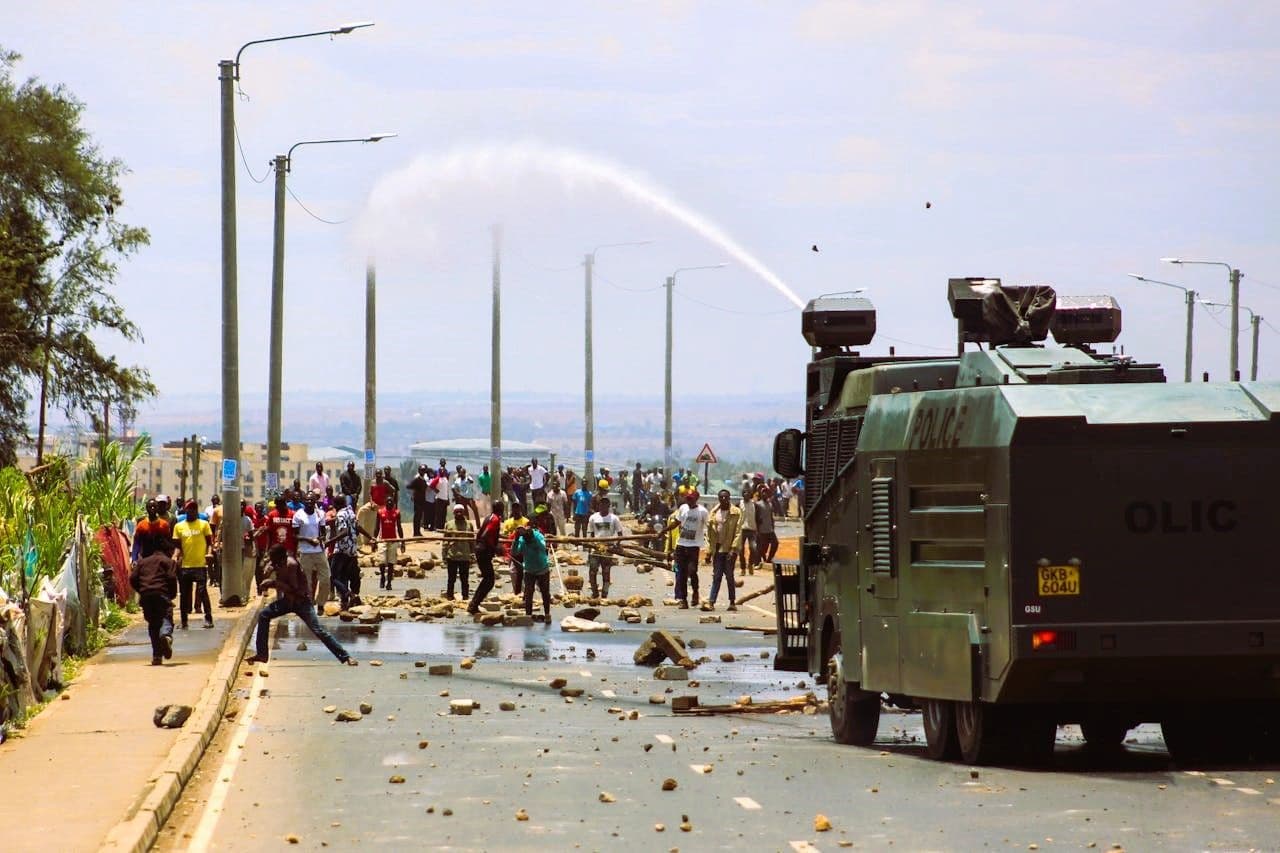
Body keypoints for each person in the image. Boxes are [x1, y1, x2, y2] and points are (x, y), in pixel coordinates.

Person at [247, 545, 357, 667]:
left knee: (318, 630)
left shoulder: (291, 565)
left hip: (301, 602)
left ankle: (345, 656)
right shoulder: (277, 564)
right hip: (288, 601)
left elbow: (294, 588)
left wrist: (273, 583)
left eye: (274, 560)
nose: (273, 562)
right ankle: (262, 654)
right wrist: (266, 573)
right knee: (263, 615)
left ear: (281, 558)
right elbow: (267, 573)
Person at [130, 528, 176, 665]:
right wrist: (171, 594)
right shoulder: (168, 562)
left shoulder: (143, 562)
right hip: (161, 593)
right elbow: (172, 578)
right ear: (167, 550)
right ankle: (166, 636)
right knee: (166, 617)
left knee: (153, 624)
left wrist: (141, 590)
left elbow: (132, 578)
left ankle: (157, 656)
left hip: (146, 595)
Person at [172, 500, 215, 629]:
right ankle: (184, 621)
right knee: (184, 595)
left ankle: (208, 618)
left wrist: (209, 554)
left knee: (202, 592)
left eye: (193, 509)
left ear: (196, 510)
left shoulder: (203, 525)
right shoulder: (179, 526)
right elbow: (178, 546)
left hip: (200, 565)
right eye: (189, 509)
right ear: (186, 510)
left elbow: (209, 543)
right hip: (185, 566)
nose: (191, 511)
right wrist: (175, 556)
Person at [664, 490, 708, 609]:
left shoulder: (702, 512)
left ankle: (695, 591)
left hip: (694, 546)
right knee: (682, 573)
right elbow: (676, 522)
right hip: (681, 544)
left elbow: (708, 527)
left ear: (696, 499)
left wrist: (709, 547)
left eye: (691, 499)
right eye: (687, 498)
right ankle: (683, 599)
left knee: (692, 570)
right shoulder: (683, 508)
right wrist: (664, 531)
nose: (689, 501)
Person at [327, 495, 373, 610]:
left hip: (342, 549)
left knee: (333, 576)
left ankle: (349, 595)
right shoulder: (350, 512)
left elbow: (344, 531)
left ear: (337, 505)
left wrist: (329, 542)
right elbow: (357, 526)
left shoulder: (341, 515)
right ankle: (346, 601)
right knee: (346, 575)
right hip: (352, 549)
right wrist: (370, 537)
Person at [704, 489, 744, 611]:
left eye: (726, 497)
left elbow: (739, 531)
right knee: (717, 576)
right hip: (717, 549)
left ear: (729, 498)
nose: (724, 499)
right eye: (721, 497)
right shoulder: (713, 513)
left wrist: (733, 549)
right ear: (718, 498)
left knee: (729, 576)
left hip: (729, 549)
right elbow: (709, 535)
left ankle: (732, 602)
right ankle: (711, 602)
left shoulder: (736, 513)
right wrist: (708, 552)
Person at [292, 493, 330, 605]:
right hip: (305, 552)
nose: (309, 502)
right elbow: (295, 535)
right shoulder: (298, 515)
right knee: (306, 582)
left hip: (319, 551)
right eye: (307, 500)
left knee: (325, 579)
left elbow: (323, 533)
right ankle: (308, 604)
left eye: (311, 500)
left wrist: (319, 539)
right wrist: (308, 540)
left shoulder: (320, 514)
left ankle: (321, 603)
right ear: (304, 501)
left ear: (315, 502)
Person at [468, 501, 505, 615]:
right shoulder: (495, 520)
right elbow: (485, 535)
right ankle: (474, 604)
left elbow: (480, 534)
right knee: (489, 580)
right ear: (501, 509)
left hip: (481, 549)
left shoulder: (489, 517)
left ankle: (474, 603)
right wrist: (495, 548)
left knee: (487, 578)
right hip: (484, 551)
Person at [587, 498, 626, 599]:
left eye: (605, 505)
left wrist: (616, 544)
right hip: (595, 547)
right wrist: (589, 546)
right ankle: (595, 592)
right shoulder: (593, 518)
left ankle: (604, 593)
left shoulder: (614, 518)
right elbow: (591, 534)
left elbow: (620, 534)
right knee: (592, 571)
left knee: (606, 571)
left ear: (608, 506)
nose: (603, 507)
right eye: (601, 505)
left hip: (608, 548)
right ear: (599, 506)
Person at [514, 522, 551, 622]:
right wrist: (516, 538)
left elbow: (542, 547)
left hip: (542, 568)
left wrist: (533, 537)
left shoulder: (538, 536)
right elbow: (515, 552)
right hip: (529, 570)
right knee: (529, 593)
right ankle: (528, 616)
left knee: (545, 592)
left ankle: (547, 614)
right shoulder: (522, 540)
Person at [442, 504, 475, 601]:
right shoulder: (449, 524)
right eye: (457, 512)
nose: (459, 513)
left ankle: (465, 597)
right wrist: (444, 555)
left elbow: (472, 541)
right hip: (452, 555)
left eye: (461, 511)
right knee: (451, 579)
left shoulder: (469, 524)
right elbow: (445, 541)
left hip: (465, 555)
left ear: (464, 512)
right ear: (454, 513)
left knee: (465, 579)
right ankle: (449, 596)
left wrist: (473, 554)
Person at [374, 491, 404, 590]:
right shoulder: (380, 512)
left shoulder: (396, 513)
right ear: (385, 503)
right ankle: (382, 576)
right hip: (382, 540)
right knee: (382, 561)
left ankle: (389, 582)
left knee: (391, 563)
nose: (390, 503)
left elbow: (399, 527)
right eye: (388, 501)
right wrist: (374, 540)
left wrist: (402, 541)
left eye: (391, 502)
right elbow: (377, 527)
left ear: (394, 503)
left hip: (393, 540)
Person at [502, 503, 529, 595]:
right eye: (514, 508)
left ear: (520, 509)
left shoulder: (525, 521)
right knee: (513, 572)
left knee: (520, 571)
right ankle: (516, 592)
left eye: (517, 508)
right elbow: (504, 535)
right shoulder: (508, 522)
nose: (515, 510)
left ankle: (523, 591)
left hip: (522, 549)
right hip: (510, 549)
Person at [755, 484, 779, 566]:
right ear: (761, 494)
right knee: (762, 547)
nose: (764, 494)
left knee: (775, 543)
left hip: (770, 529)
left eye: (766, 492)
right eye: (763, 492)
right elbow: (756, 518)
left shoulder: (770, 504)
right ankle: (761, 561)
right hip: (762, 530)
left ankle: (769, 559)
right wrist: (757, 530)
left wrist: (773, 525)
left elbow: (771, 516)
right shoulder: (758, 504)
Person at [740, 480, 760, 574]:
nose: (746, 494)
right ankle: (743, 568)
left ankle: (750, 564)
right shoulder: (739, 504)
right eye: (744, 492)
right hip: (742, 530)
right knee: (740, 550)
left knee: (753, 548)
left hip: (752, 530)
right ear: (742, 494)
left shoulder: (754, 505)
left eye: (748, 492)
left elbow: (758, 517)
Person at [408, 464, 431, 536]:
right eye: (422, 470)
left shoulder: (423, 479)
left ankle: (417, 531)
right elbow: (410, 486)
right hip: (417, 500)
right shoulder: (417, 478)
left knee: (419, 516)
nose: (423, 472)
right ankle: (415, 532)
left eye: (424, 471)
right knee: (417, 516)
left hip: (422, 500)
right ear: (419, 471)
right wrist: (414, 493)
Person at [432, 467, 452, 531]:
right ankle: (436, 527)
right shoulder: (437, 478)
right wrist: (436, 490)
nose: (442, 471)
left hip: (445, 499)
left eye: (443, 471)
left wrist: (448, 498)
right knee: (438, 514)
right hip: (439, 499)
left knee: (443, 514)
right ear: (439, 471)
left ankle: (441, 527)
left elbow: (446, 490)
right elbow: (431, 485)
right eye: (441, 470)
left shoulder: (445, 479)